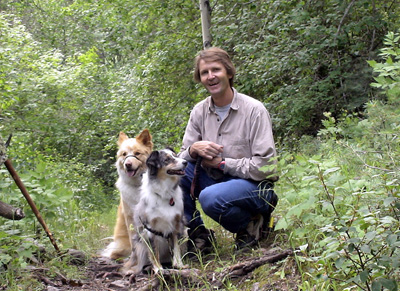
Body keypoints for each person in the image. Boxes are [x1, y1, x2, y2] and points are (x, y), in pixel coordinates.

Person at [178, 47, 278, 254]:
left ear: (229, 73)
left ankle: (250, 226)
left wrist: (223, 164)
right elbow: (181, 158)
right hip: (214, 182)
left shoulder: (254, 110)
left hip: (254, 188)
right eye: (205, 72)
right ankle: (199, 235)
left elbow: (267, 168)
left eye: (216, 70)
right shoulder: (199, 112)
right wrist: (193, 149)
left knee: (210, 197)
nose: (210, 76)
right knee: (174, 176)